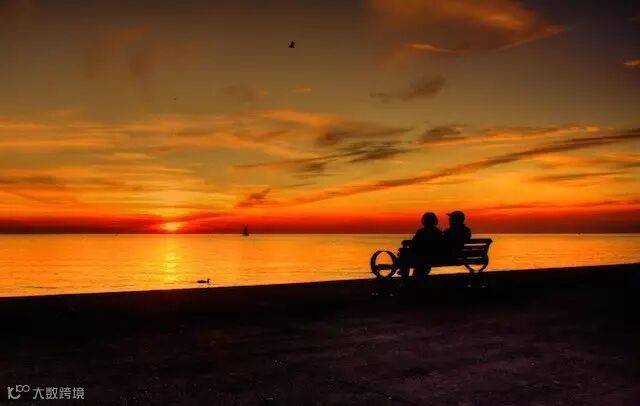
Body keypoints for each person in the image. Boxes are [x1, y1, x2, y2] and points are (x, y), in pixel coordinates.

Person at [399, 212, 443, 279]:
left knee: (404, 254)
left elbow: (414, 243)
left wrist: (407, 243)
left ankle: (404, 273)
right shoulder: (438, 232)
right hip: (435, 256)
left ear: (424, 221)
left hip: (422, 256)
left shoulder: (421, 232)